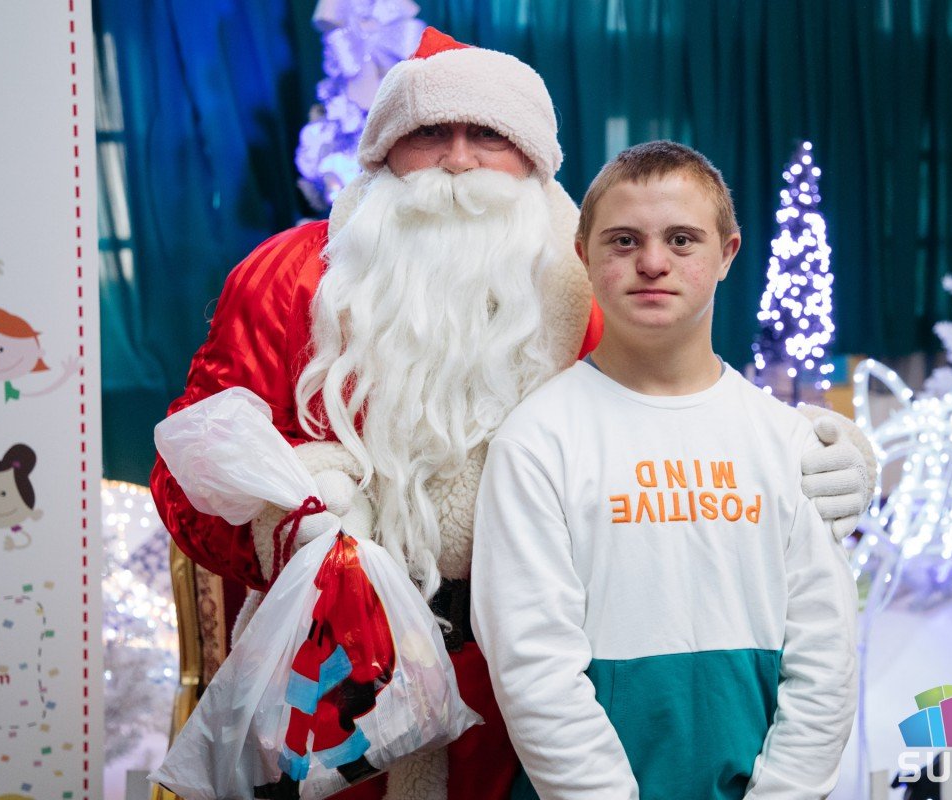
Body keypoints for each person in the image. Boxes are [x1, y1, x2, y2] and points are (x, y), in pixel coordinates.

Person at [150, 29, 872, 800]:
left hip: (521, 695)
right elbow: (191, 472)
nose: (458, 160)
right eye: (430, 133)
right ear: (384, 151)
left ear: (530, 159)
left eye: (488, 136)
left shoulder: (586, 281)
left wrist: (825, 453)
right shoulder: (287, 277)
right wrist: (291, 518)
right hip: (331, 674)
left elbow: (675, 410)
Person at [471, 141, 858, 800]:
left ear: (727, 253)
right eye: (624, 241)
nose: (653, 263)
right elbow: (533, 669)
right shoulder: (536, 442)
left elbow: (827, 657)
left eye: (682, 240)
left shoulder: (787, 442)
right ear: (583, 255)